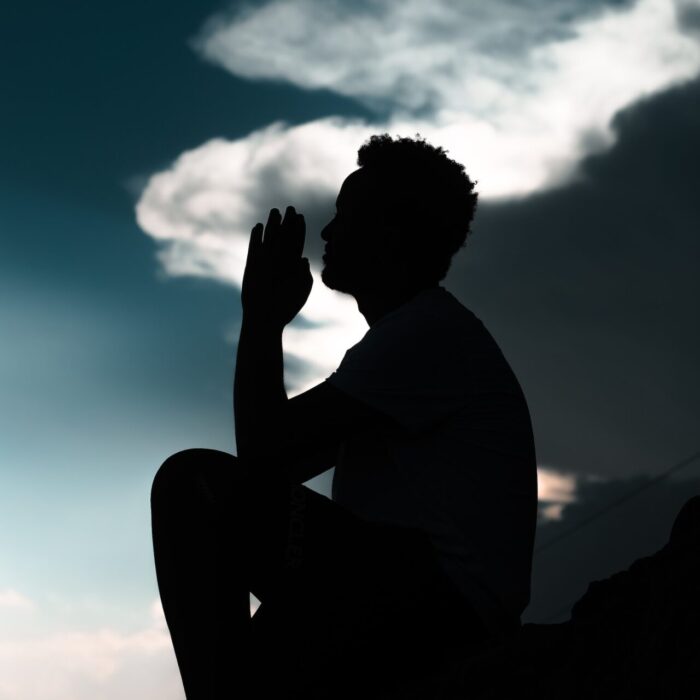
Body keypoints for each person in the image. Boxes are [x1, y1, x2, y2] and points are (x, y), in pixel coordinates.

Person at [150, 133, 538, 699]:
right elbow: (272, 471)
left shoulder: (426, 334)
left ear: (392, 232)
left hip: (435, 605)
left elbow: (259, 454)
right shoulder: (414, 340)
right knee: (254, 657)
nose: (328, 233)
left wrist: (262, 319)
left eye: (346, 215)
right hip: (414, 593)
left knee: (192, 484)